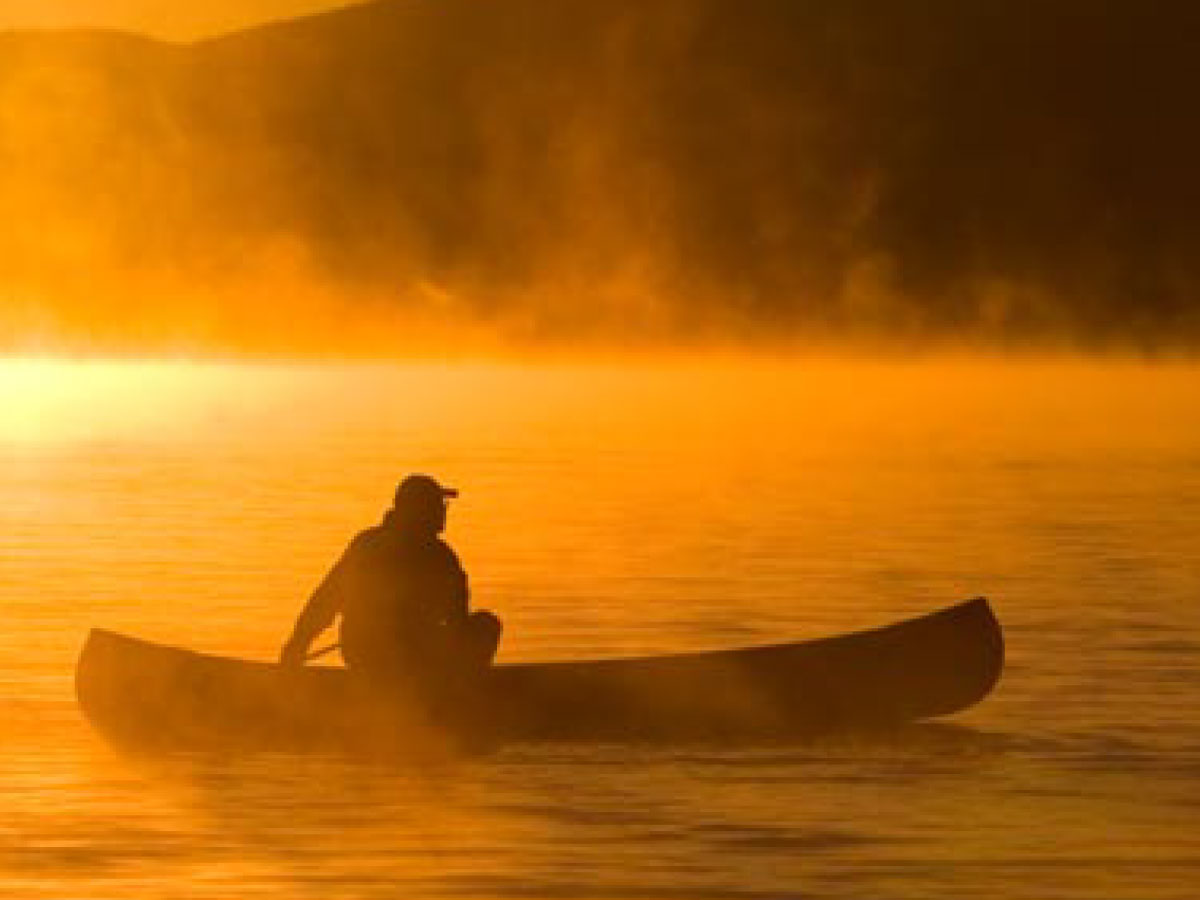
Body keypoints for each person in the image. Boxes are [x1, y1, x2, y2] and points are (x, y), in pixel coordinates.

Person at [279, 475, 502, 705]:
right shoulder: (441, 557)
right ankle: (456, 700)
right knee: (487, 625)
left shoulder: (367, 543)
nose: (443, 512)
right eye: (439, 505)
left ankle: (438, 692)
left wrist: (298, 644)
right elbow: (458, 623)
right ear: (421, 511)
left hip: (363, 653)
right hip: (403, 659)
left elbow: (327, 598)